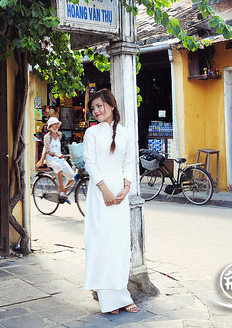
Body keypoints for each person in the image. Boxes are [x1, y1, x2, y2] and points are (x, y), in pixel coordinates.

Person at [83, 89, 139, 314]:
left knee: (119, 245)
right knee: (101, 243)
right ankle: (108, 299)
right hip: (100, 194)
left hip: (120, 196)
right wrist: (105, 190)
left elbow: (129, 162)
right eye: (93, 108)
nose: (96, 111)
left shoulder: (125, 133)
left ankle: (122, 294)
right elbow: (90, 164)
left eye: (100, 106)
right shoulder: (92, 134)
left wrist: (126, 188)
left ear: (112, 105)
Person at [36, 117, 75, 201]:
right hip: (51, 159)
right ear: (50, 126)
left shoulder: (59, 135)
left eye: (57, 124)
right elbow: (48, 150)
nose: (56, 126)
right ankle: (61, 189)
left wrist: (60, 155)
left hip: (60, 159)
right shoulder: (47, 137)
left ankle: (64, 192)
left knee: (72, 176)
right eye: (55, 124)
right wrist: (56, 155)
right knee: (59, 168)